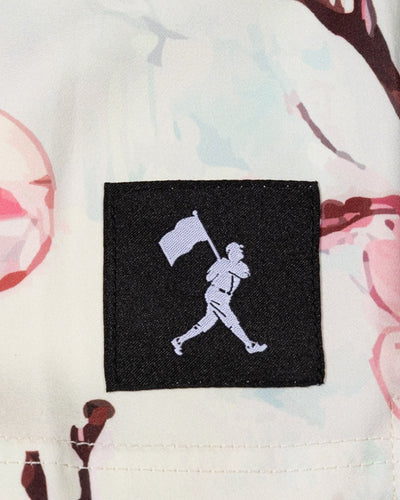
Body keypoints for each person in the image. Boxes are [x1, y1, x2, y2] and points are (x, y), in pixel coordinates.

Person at [171, 242, 267, 355]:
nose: (241, 251)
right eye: (238, 250)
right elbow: (208, 278)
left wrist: (229, 268)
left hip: (226, 297)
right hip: (215, 294)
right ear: (230, 252)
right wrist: (219, 270)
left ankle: (179, 340)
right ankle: (249, 345)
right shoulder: (221, 263)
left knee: (207, 322)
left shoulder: (242, 266)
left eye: (241, 250)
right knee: (230, 319)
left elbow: (245, 275)